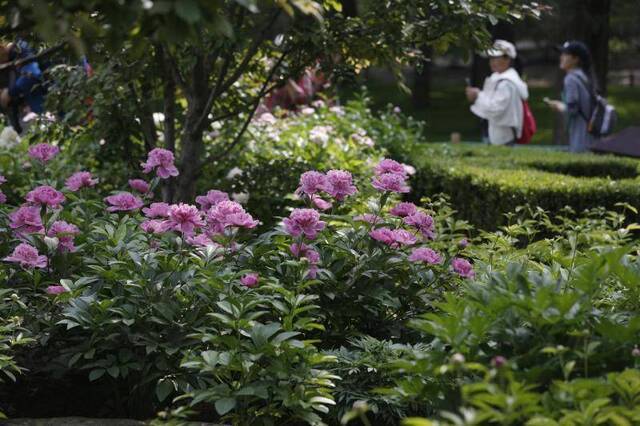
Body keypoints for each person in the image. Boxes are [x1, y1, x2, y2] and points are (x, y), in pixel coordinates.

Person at [466, 39, 529, 146]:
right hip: (496, 135)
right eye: (491, 58)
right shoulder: (497, 78)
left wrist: (477, 96)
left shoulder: (506, 84)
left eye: (496, 58)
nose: (492, 61)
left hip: (502, 138)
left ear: (507, 59)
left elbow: (495, 109)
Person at [545, 41, 596, 153]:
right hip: (591, 136)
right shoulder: (583, 76)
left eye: (565, 54)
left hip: (580, 137)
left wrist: (558, 106)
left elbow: (573, 109)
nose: (561, 57)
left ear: (575, 59)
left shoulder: (571, 79)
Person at [0, 39, 46, 133]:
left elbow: (32, 74)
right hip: (38, 115)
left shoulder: (21, 48)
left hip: (64, 99)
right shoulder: (9, 60)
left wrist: (9, 93)